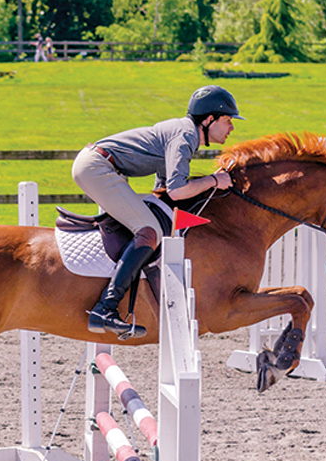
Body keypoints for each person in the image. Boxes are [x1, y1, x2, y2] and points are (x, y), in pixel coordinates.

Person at [72, 85, 244, 340]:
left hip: (98, 165)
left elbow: (163, 186)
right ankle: (105, 308)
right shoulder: (185, 136)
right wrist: (213, 181)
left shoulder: (184, 133)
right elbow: (176, 191)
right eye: (227, 120)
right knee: (148, 231)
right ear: (208, 120)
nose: (231, 127)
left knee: (147, 224)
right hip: (98, 168)